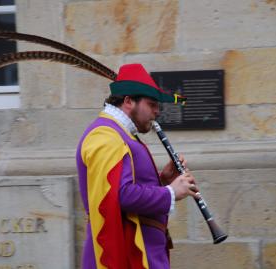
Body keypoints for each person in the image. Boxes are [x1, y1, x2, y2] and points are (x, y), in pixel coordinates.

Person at [76, 63, 198, 269]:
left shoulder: (118, 133)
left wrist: (162, 180)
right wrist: (170, 192)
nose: (157, 111)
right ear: (128, 101)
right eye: (152, 104)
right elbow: (120, 195)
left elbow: (122, 187)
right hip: (129, 254)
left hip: (141, 253)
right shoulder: (106, 136)